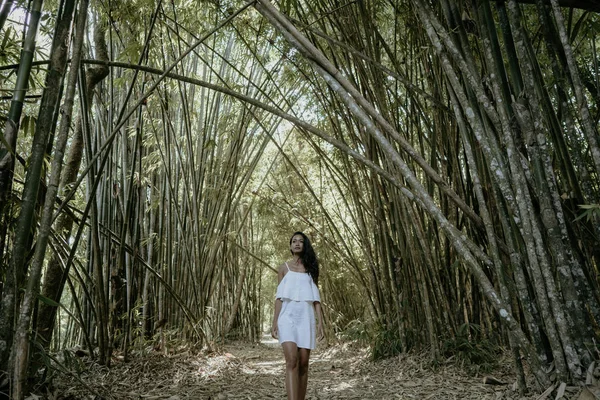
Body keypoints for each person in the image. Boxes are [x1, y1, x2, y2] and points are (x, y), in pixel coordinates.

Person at [271, 231, 324, 400]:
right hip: (287, 317)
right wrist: (275, 322)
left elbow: (316, 299)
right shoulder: (283, 268)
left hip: (306, 318)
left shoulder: (311, 269)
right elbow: (279, 297)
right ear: (290, 246)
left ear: (305, 245)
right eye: (294, 241)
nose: (297, 243)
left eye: (301, 241)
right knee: (292, 361)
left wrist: (320, 323)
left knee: (303, 364)